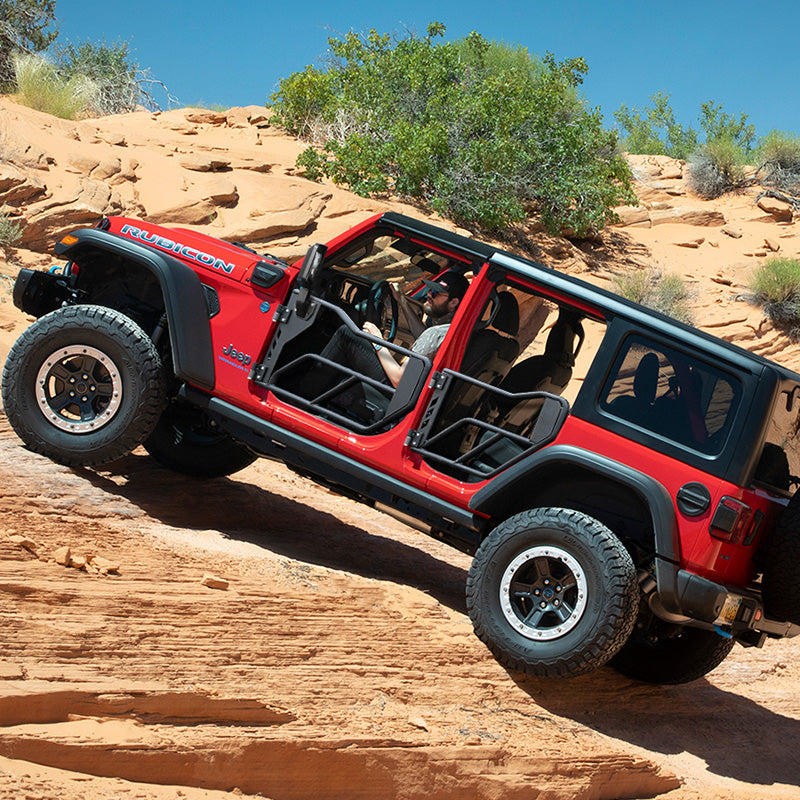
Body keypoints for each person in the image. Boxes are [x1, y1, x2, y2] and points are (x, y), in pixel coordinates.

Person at [321, 269, 469, 389]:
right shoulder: (449, 330)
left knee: (346, 335)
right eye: (430, 289)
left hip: (397, 397)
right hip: (411, 394)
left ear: (453, 302)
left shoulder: (436, 332)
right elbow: (424, 336)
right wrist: (401, 300)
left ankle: (307, 394)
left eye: (436, 293)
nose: (429, 294)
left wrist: (377, 341)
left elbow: (399, 380)